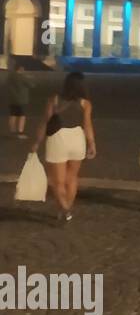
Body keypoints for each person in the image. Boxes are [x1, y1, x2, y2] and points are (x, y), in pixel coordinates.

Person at [31, 72, 95, 222]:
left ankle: (65, 209)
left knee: (57, 181)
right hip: (77, 138)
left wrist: (37, 142)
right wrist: (91, 143)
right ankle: (66, 210)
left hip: (58, 139)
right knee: (72, 178)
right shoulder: (85, 103)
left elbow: (45, 122)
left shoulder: (54, 100)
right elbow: (87, 125)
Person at [7, 64, 34, 138]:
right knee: (22, 116)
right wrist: (28, 78)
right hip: (22, 100)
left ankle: (12, 132)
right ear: (20, 69)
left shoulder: (10, 77)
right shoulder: (22, 77)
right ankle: (20, 132)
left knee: (13, 115)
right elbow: (32, 85)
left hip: (12, 99)